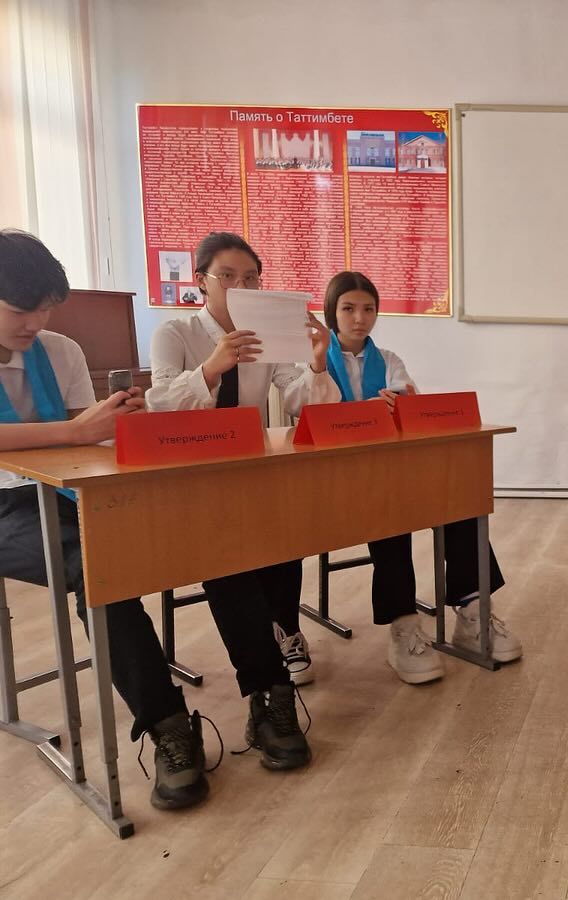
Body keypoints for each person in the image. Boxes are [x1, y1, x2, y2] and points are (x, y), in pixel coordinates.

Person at [0, 229, 210, 809]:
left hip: (65, 493)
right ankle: (168, 724)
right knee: (97, 569)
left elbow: (82, 440)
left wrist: (114, 421)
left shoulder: (60, 349)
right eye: (21, 309)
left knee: (168, 532)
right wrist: (75, 430)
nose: (35, 322)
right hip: (7, 505)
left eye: (46, 308)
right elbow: (70, 432)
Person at [268, 271, 521, 684]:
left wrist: (398, 403)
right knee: (390, 513)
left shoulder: (387, 359)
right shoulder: (312, 360)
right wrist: (319, 364)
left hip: (386, 471)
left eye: (368, 309)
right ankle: (403, 624)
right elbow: (301, 407)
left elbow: (408, 399)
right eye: (348, 308)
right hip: (330, 482)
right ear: (331, 312)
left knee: (460, 499)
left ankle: (472, 607)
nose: (359, 318)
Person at [147, 230, 338, 767]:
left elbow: (304, 403)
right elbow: (159, 408)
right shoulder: (176, 332)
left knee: (285, 531)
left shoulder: (267, 335)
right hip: (190, 480)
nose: (241, 287)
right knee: (229, 558)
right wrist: (211, 368)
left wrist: (317, 362)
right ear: (201, 282)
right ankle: (269, 690)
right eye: (228, 277)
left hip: (248, 474)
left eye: (251, 278)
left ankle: (280, 643)